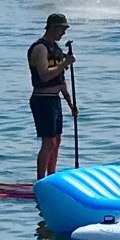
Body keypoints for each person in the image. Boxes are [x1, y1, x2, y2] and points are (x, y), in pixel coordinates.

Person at [28, 13, 76, 178]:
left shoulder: (56, 49)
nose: (63, 34)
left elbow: (60, 81)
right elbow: (44, 75)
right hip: (42, 99)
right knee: (48, 142)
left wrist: (71, 104)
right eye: (62, 29)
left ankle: (52, 176)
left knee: (56, 141)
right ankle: (41, 180)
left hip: (55, 100)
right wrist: (65, 63)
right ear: (53, 27)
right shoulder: (40, 48)